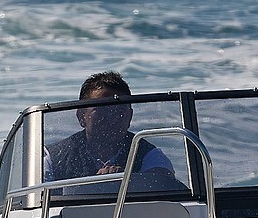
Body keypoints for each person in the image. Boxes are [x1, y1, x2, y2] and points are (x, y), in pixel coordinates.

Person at [43, 71, 183, 191]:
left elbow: (163, 196)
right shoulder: (52, 158)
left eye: (119, 111)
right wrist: (94, 186)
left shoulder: (150, 155)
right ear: (82, 117)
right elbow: (40, 206)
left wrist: (130, 183)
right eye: (102, 110)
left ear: (130, 117)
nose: (112, 118)